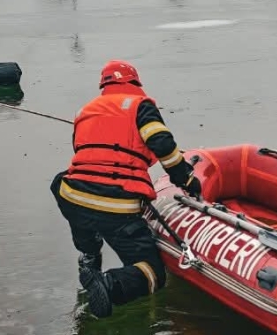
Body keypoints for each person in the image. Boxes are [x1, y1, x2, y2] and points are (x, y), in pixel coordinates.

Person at [51, 60, 202, 319]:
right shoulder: (140, 106)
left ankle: (88, 256)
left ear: (104, 85)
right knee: (152, 272)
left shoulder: (85, 110)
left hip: (72, 195)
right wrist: (186, 180)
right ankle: (110, 285)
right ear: (135, 82)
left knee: (83, 217)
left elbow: (83, 152)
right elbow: (162, 144)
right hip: (116, 205)